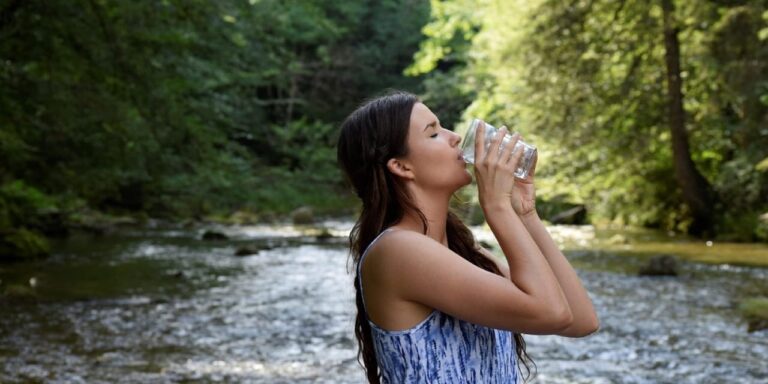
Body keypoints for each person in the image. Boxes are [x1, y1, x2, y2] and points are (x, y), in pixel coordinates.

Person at [336, 91, 599, 384]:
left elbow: (580, 319)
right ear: (402, 167)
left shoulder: (464, 253)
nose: (455, 137)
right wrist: (497, 206)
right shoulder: (398, 250)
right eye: (433, 133)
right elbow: (551, 313)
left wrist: (524, 213)